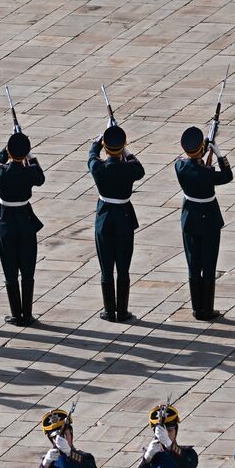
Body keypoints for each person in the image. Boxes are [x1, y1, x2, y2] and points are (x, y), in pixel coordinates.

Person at [88, 125, 145, 322]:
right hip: (124, 219)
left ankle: (108, 310)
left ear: (106, 149)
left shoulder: (98, 168)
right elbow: (140, 169)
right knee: (123, 268)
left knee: (106, 268)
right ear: (121, 148)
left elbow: (91, 155)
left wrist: (98, 143)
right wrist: (125, 150)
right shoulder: (129, 169)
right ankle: (122, 311)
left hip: (104, 219)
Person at [175, 126, 232, 320]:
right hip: (209, 219)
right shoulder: (207, 174)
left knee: (193, 265)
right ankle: (207, 309)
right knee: (208, 265)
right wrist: (217, 153)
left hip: (190, 218)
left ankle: (196, 308)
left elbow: (189, 163)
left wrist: (201, 152)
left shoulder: (180, 167)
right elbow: (227, 175)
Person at [0, 133, 46, 325]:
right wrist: (29, 155)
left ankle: (16, 314)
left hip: (5, 219)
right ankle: (27, 313)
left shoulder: (0, 172)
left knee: (10, 268)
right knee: (28, 267)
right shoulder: (29, 172)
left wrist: (8, 149)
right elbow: (40, 178)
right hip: (25, 219)